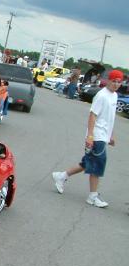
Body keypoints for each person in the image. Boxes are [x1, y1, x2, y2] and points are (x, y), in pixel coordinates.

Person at [52, 70, 123, 208]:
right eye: (114, 81)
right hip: (97, 136)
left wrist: (110, 135)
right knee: (97, 165)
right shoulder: (101, 95)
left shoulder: (114, 96)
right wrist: (90, 136)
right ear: (108, 81)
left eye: (118, 82)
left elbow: (109, 118)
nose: (116, 84)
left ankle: (61, 176)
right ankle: (92, 196)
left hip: (103, 136)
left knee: (87, 162)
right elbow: (93, 115)